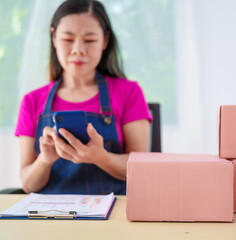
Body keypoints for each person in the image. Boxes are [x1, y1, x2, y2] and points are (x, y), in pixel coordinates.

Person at [15, 0, 152, 195]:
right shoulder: (32, 101)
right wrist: (45, 160)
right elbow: (29, 185)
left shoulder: (129, 92)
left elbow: (141, 169)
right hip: (52, 217)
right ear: (54, 38)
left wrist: (100, 157)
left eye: (89, 40)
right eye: (68, 39)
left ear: (105, 40)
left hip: (115, 214)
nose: (78, 49)